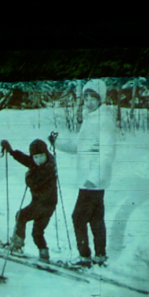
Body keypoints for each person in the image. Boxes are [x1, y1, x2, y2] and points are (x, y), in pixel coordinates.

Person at [51, 79, 116, 268]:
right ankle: (100, 256)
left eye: (93, 98)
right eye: (86, 98)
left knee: (78, 217)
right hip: (91, 179)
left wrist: (93, 178)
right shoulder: (90, 119)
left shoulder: (103, 120)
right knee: (95, 218)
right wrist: (57, 143)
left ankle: (84, 257)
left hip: (92, 180)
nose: (88, 102)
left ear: (101, 99)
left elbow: (107, 152)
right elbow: (78, 147)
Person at [0, 138, 58, 262]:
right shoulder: (40, 164)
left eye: (41, 156)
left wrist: (28, 178)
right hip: (47, 206)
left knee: (21, 216)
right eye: (36, 157)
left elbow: (34, 182)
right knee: (37, 232)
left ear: (46, 154)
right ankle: (44, 253)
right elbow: (25, 159)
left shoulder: (47, 169)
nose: (38, 160)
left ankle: (17, 246)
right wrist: (11, 151)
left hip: (43, 204)